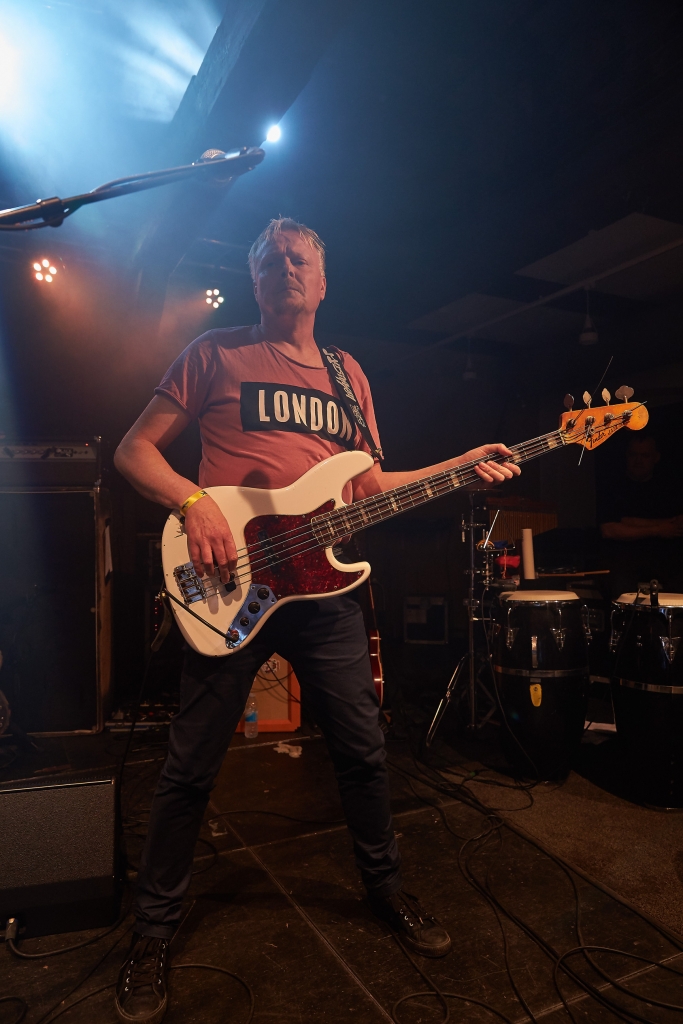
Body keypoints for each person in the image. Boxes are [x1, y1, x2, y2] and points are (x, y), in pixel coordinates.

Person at [113, 218, 520, 1023]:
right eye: (269, 260)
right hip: (230, 581)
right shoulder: (213, 352)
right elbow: (134, 451)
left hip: (323, 593)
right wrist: (193, 502)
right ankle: (153, 931)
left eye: (298, 258)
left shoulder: (347, 373)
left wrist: (460, 467)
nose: (285, 268)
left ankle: (387, 890)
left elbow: (367, 488)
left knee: (363, 750)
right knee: (191, 767)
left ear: (323, 282)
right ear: (254, 280)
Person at [598, 433, 683, 596]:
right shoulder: (613, 487)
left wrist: (631, 523)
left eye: (644, 456)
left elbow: (677, 524)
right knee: (618, 583)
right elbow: (610, 530)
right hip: (624, 559)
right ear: (626, 456)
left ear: (656, 457)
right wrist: (659, 529)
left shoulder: (669, 489)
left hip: (665, 559)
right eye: (633, 455)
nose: (638, 460)